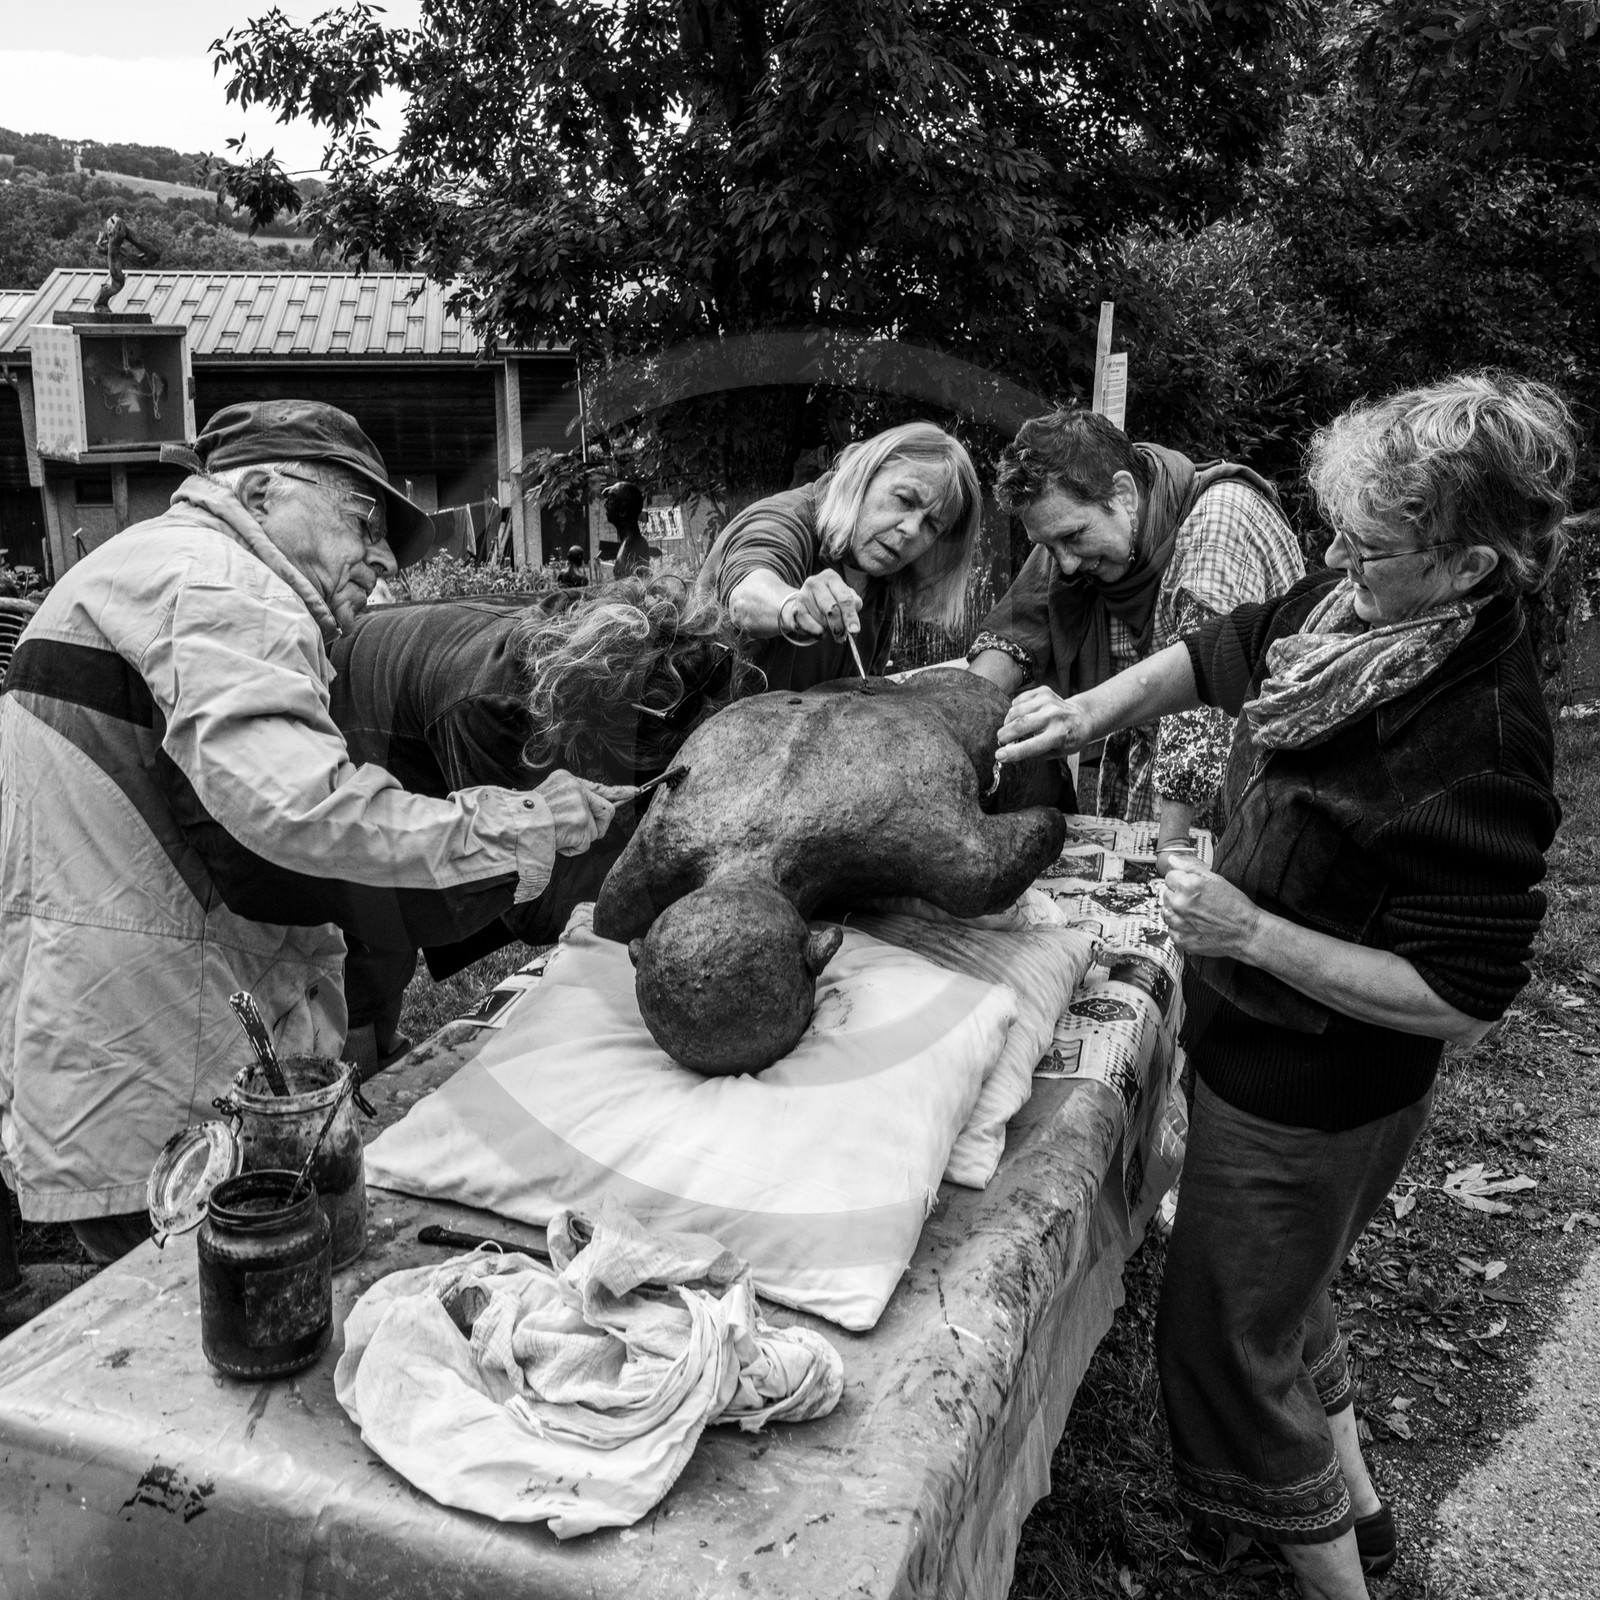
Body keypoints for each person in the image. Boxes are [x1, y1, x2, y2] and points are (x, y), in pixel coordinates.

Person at [996, 373, 1570, 1598]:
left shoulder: (1479, 739)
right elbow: (1218, 653)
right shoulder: (1359, 611)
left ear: (1469, 566)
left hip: (1318, 1091)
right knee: (1288, 1304)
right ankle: (1358, 1516)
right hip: (1254, 1049)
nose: (1333, 563)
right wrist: (1082, 715)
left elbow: (1460, 995)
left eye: (1365, 548)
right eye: (1337, 534)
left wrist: (1252, 932)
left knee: (1222, 1345)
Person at [0, 400, 621, 1262]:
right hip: (177, 1073)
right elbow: (300, 812)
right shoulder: (222, 586)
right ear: (260, 491)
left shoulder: (142, 567)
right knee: (211, 1307)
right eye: (363, 520)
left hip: (105, 1046)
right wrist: (522, 823)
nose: (383, 558)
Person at [328, 574, 755, 1068]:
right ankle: (357, 1081)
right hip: (354, 709)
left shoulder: (624, 644)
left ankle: (378, 1056)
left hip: (422, 683)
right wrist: (650, 886)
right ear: (606, 718)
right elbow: (527, 893)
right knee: (372, 931)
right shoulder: (496, 711)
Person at [969, 409, 1303, 849]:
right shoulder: (1079, 529)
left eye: (1071, 537)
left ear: (1124, 493)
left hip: (1242, 796)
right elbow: (1013, 636)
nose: (1064, 563)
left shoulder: (1221, 520)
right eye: (1049, 546)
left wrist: (1172, 849)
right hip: (1143, 787)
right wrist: (964, 721)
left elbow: (1204, 693)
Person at [696, 421, 982, 691]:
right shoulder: (784, 520)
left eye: (931, 525)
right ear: (863, 476)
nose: (911, 530)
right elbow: (745, 597)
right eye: (905, 500)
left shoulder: (883, 574)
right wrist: (792, 605)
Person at [605, 481, 656, 580]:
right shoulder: (639, 542)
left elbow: (628, 588)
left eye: (610, 500)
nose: (605, 505)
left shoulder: (627, 554)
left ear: (623, 511)